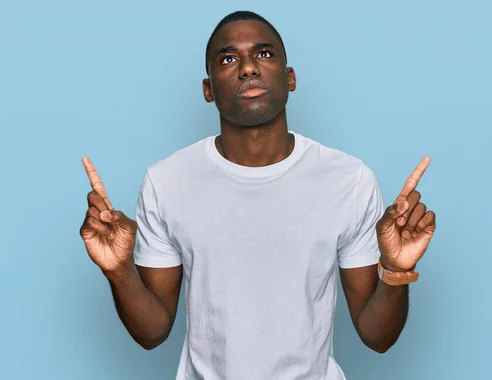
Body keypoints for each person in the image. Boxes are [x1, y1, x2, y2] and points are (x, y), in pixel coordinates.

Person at [79, 10, 436, 380]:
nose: (248, 68)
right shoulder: (166, 181)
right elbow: (152, 332)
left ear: (290, 77)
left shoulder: (349, 179)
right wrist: (118, 271)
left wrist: (397, 270)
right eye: (229, 58)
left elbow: (377, 337)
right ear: (208, 89)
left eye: (264, 54)